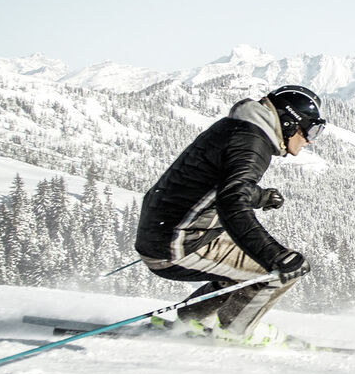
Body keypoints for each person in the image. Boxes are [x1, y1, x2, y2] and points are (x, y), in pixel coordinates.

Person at [135, 85, 323, 338]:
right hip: (177, 244)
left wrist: (260, 196)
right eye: (311, 129)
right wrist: (274, 255)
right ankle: (235, 333)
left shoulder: (237, 130)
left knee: (249, 266)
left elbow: (219, 184)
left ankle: (192, 320)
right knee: (281, 271)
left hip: (163, 233)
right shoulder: (252, 143)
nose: (310, 139)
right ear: (289, 122)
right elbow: (232, 201)